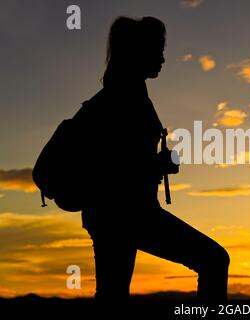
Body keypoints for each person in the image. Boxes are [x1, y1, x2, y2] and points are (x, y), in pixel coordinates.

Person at [75, 16, 229, 305]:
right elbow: (116, 167)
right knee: (214, 260)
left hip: (109, 214)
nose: (162, 59)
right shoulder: (123, 100)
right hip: (127, 212)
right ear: (138, 51)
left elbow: (119, 158)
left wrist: (154, 163)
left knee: (112, 296)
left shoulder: (118, 96)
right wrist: (157, 165)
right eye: (157, 49)